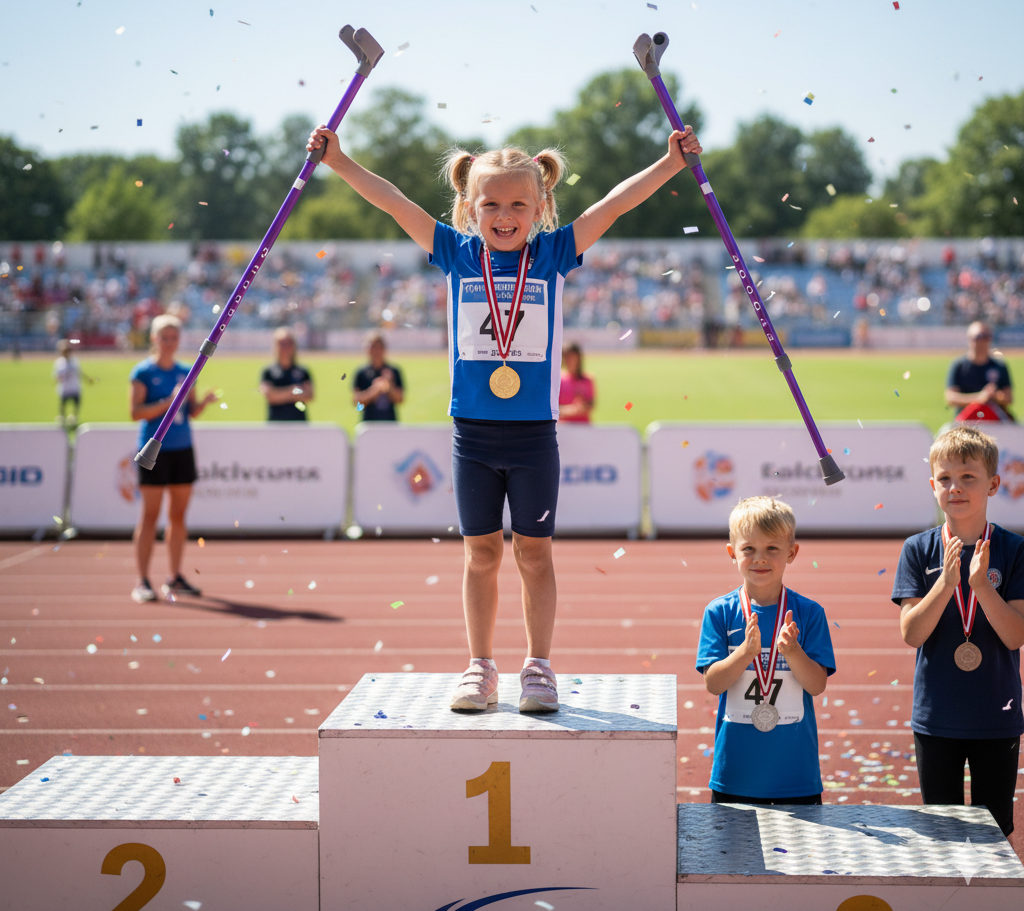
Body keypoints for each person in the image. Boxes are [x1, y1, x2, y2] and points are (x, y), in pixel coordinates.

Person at [307, 116, 702, 714]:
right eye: (490, 203)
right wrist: (339, 161)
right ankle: (480, 665)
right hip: (472, 434)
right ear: (469, 207)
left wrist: (671, 163)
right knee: (481, 553)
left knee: (535, 554)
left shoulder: (554, 252)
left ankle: (538, 667)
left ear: (541, 204)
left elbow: (614, 205)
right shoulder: (455, 252)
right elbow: (395, 203)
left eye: (519, 202)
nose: (504, 214)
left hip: (534, 437)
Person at [892, 425, 1024, 842]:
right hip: (937, 719)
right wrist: (946, 584)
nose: (956, 487)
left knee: (994, 835)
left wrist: (982, 585)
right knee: (940, 833)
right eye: (945, 478)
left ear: (993, 484)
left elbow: (1015, 635)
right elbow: (912, 634)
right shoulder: (918, 549)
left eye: (969, 477)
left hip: (996, 719)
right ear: (933, 486)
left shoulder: (1014, 549)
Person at [696, 497, 835, 803]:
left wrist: (794, 653)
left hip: (796, 777)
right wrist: (745, 653)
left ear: (792, 552)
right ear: (732, 553)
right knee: (731, 852)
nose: (760, 558)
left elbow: (817, 684)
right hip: (735, 776)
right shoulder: (719, 612)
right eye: (749, 549)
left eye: (772, 548)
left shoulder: (809, 613)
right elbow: (713, 683)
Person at [129, 314, 217, 604]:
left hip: (182, 448)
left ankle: (175, 576)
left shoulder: (186, 372)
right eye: (164, 337)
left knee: (178, 517)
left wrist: (201, 403)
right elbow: (136, 412)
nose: (169, 343)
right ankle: (142, 580)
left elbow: (189, 413)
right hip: (153, 450)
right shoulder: (142, 372)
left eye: (174, 338)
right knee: (150, 516)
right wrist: (168, 402)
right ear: (154, 339)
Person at [945, 321, 1015, 422]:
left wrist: (994, 395)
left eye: (986, 336)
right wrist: (978, 397)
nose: (982, 341)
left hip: (994, 420)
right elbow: (951, 398)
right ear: (969, 339)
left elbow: (1009, 398)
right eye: (978, 337)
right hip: (966, 421)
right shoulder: (959, 366)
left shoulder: (999, 366)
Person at [259, 327, 314, 421]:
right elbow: (269, 396)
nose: (286, 347)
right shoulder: (269, 371)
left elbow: (309, 395)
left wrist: (279, 394)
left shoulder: (302, 371)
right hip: (276, 423)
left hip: (299, 424)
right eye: (282, 344)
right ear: (276, 346)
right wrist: (292, 392)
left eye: (289, 343)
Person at [352, 334, 404, 421]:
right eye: (373, 347)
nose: (376, 351)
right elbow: (358, 406)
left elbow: (400, 400)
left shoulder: (393, 371)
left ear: (384, 349)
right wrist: (375, 391)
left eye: (379, 347)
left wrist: (389, 386)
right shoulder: (362, 373)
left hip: (390, 423)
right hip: (369, 424)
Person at [52, 338, 88, 425]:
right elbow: (56, 376)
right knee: (63, 405)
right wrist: (59, 378)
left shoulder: (74, 361)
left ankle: (74, 418)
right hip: (64, 388)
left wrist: (87, 379)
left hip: (74, 387)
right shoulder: (59, 363)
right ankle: (63, 418)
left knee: (76, 404)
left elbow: (79, 372)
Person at [558, 343, 595, 423]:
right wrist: (568, 410)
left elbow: (591, 405)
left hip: (582, 425)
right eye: (567, 358)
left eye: (573, 358)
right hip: (563, 426)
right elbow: (552, 408)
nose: (570, 361)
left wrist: (581, 408)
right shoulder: (558, 380)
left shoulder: (587, 379)